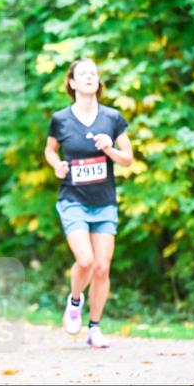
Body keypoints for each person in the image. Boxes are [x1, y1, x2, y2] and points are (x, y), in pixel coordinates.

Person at [44, 58, 133, 348]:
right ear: (71, 82)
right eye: (82, 73)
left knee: (102, 268)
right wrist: (57, 165)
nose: (89, 77)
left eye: (93, 73)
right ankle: (74, 301)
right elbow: (50, 151)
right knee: (86, 260)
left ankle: (94, 328)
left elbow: (128, 160)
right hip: (73, 200)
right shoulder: (60, 119)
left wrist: (110, 149)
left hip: (104, 201)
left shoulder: (112, 118)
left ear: (98, 82)